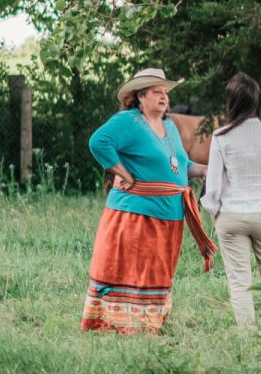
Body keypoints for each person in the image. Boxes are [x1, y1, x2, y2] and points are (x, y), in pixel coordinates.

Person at [82, 68, 216, 334]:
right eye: (157, 92)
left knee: (157, 269)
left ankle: (149, 323)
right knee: (132, 267)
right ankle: (119, 323)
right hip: (136, 212)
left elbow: (179, 163)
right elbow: (98, 142)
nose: (163, 97)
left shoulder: (169, 126)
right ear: (140, 96)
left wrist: (205, 169)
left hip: (170, 213)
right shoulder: (129, 121)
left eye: (165, 92)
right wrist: (123, 173)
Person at [200, 73, 261, 339]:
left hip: (231, 215)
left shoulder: (220, 136)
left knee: (240, 281)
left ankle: (248, 338)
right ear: (257, 101)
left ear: (232, 102)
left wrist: (215, 211)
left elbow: (214, 185)